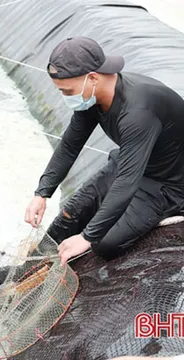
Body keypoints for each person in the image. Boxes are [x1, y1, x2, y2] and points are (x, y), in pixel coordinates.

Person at [24, 36, 184, 267]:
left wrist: (87, 237)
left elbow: (127, 182)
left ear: (92, 78)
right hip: (129, 164)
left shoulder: (138, 112)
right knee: (70, 215)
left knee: (104, 244)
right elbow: (70, 145)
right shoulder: (92, 97)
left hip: (167, 185)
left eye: (67, 91)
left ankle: (170, 212)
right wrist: (42, 193)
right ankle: (29, 268)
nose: (65, 97)